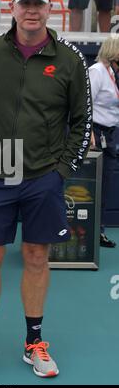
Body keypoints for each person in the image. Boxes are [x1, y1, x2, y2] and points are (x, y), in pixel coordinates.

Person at [0, 0, 92, 378]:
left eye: (38, 4)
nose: (31, 11)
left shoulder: (70, 60)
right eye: (25, 4)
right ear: (12, 8)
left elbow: (82, 121)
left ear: (49, 9)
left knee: (37, 257)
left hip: (44, 177)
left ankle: (33, 341)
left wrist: (61, 170)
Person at [89, 35, 119, 247]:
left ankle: (98, 231)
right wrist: (88, 132)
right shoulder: (97, 71)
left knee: (105, 184)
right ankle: (88, 231)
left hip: (109, 134)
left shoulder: (111, 73)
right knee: (93, 186)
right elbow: (84, 102)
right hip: (95, 134)